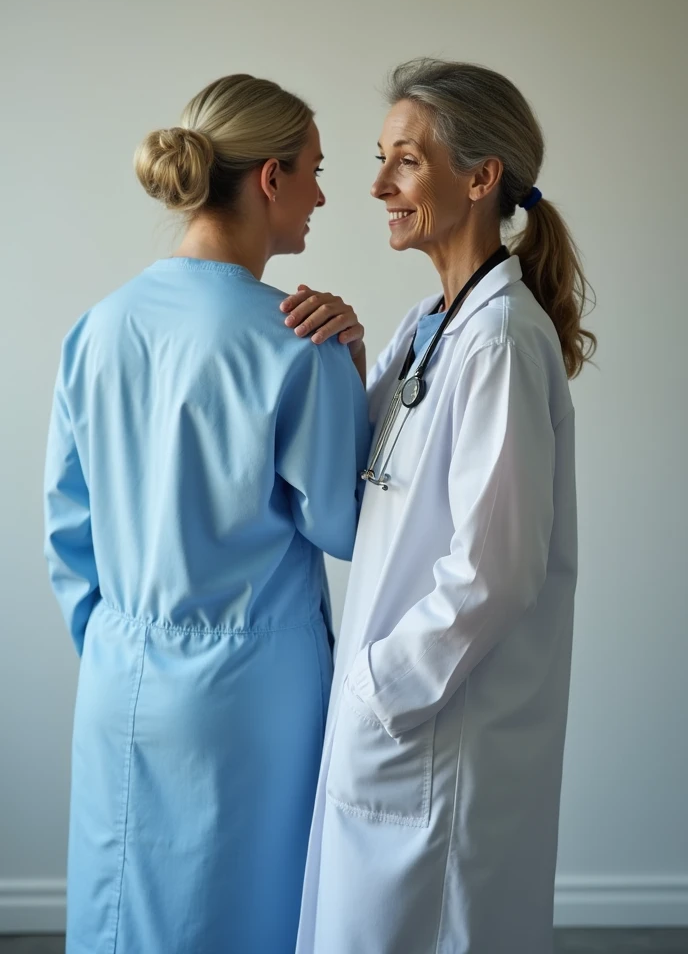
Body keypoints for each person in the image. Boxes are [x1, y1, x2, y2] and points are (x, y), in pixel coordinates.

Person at [43, 73, 369, 954]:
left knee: (120, 924)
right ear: (270, 178)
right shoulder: (301, 343)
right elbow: (349, 526)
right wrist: (355, 369)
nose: (324, 193)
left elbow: (66, 532)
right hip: (248, 704)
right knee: (235, 923)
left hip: (116, 680)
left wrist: (120, 642)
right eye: (314, 169)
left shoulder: (99, 328)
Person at [284, 59, 596, 954]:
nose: (378, 186)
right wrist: (346, 361)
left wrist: (381, 690)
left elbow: (494, 571)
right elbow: (361, 497)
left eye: (406, 162)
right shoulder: (431, 323)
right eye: (379, 160)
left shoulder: (498, 340)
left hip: (432, 733)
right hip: (397, 725)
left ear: (480, 176)